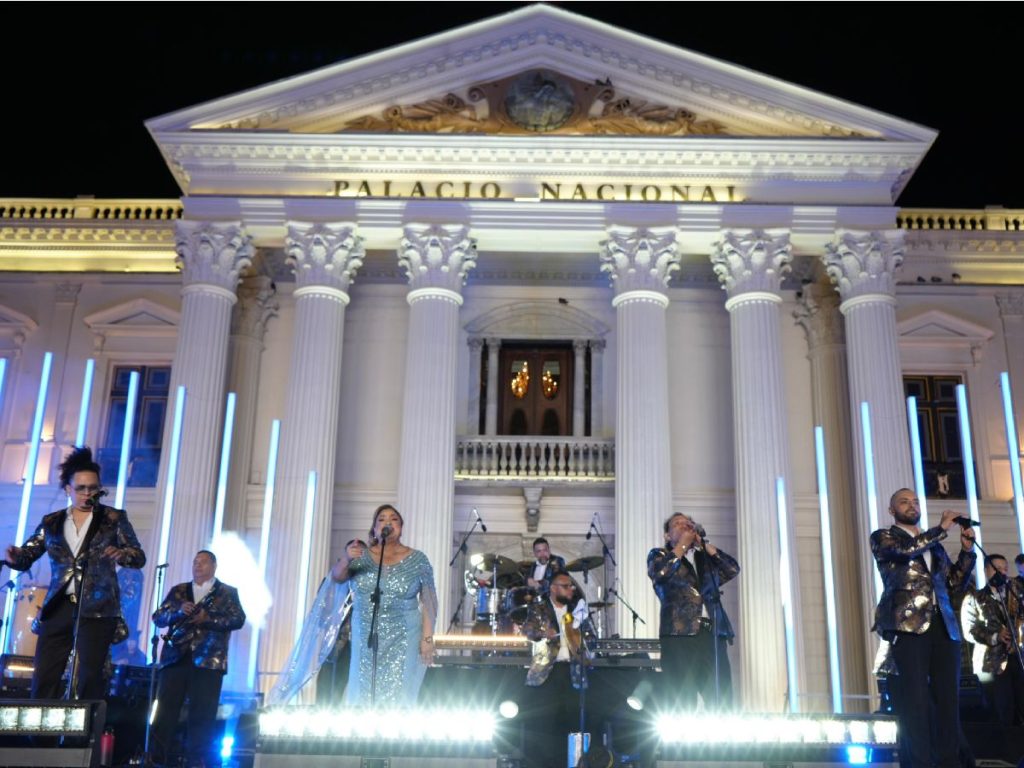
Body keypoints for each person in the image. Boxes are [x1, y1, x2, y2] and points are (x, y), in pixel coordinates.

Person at [4, 446, 145, 700]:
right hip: (59, 605)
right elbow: (28, 555)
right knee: (44, 675)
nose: (87, 493)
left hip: (98, 607)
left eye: (93, 488)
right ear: (68, 489)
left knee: (90, 677)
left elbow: (138, 556)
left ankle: (83, 725)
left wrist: (121, 554)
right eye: (81, 488)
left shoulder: (113, 518)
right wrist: (16, 557)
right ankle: (42, 724)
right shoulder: (52, 522)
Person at [871, 489, 976, 768]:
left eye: (916, 501)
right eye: (904, 502)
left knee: (948, 700)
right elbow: (904, 552)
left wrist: (967, 552)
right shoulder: (883, 537)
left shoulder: (934, 545)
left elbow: (953, 583)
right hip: (908, 627)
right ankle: (919, 762)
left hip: (943, 626)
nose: (912, 506)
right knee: (915, 700)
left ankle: (949, 760)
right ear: (892, 510)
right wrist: (940, 530)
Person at [331, 505, 437, 707]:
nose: (388, 522)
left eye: (394, 519)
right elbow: (337, 577)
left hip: (405, 636)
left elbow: (429, 601)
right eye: (381, 519)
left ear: (401, 527)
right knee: (363, 689)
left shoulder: (418, 559)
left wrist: (427, 639)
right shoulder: (361, 556)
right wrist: (346, 558)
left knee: (399, 692)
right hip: (366, 634)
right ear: (374, 529)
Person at [151, 550, 246, 768]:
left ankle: (197, 761)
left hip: (209, 661)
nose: (198, 565)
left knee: (202, 713)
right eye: (195, 562)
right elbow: (158, 617)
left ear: (214, 566)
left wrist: (207, 618)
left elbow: (238, 619)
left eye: (203, 562)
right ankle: (158, 758)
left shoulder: (227, 592)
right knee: (165, 710)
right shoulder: (179, 591)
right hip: (176, 658)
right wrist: (178, 612)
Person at [647, 513, 739, 710]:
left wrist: (704, 545)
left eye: (688, 523)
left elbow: (732, 569)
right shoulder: (659, 555)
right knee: (682, 699)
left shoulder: (702, 559)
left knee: (721, 697)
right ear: (667, 535)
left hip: (711, 634)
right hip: (680, 634)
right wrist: (682, 545)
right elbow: (660, 574)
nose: (684, 525)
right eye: (677, 524)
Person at [522, 572, 594, 768]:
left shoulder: (576, 611)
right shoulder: (540, 608)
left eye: (571, 586)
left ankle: (572, 762)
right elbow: (527, 630)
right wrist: (543, 632)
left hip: (572, 672)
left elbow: (592, 638)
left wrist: (580, 636)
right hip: (547, 673)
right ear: (553, 588)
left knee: (572, 721)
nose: (571, 589)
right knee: (545, 723)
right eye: (566, 586)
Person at [961, 553, 1024, 725]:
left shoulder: (1016, 594)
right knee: (1001, 710)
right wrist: (996, 636)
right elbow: (970, 630)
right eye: (997, 569)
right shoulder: (974, 597)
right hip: (991, 663)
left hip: (1018, 657)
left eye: (1005, 569)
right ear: (986, 571)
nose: (1002, 572)